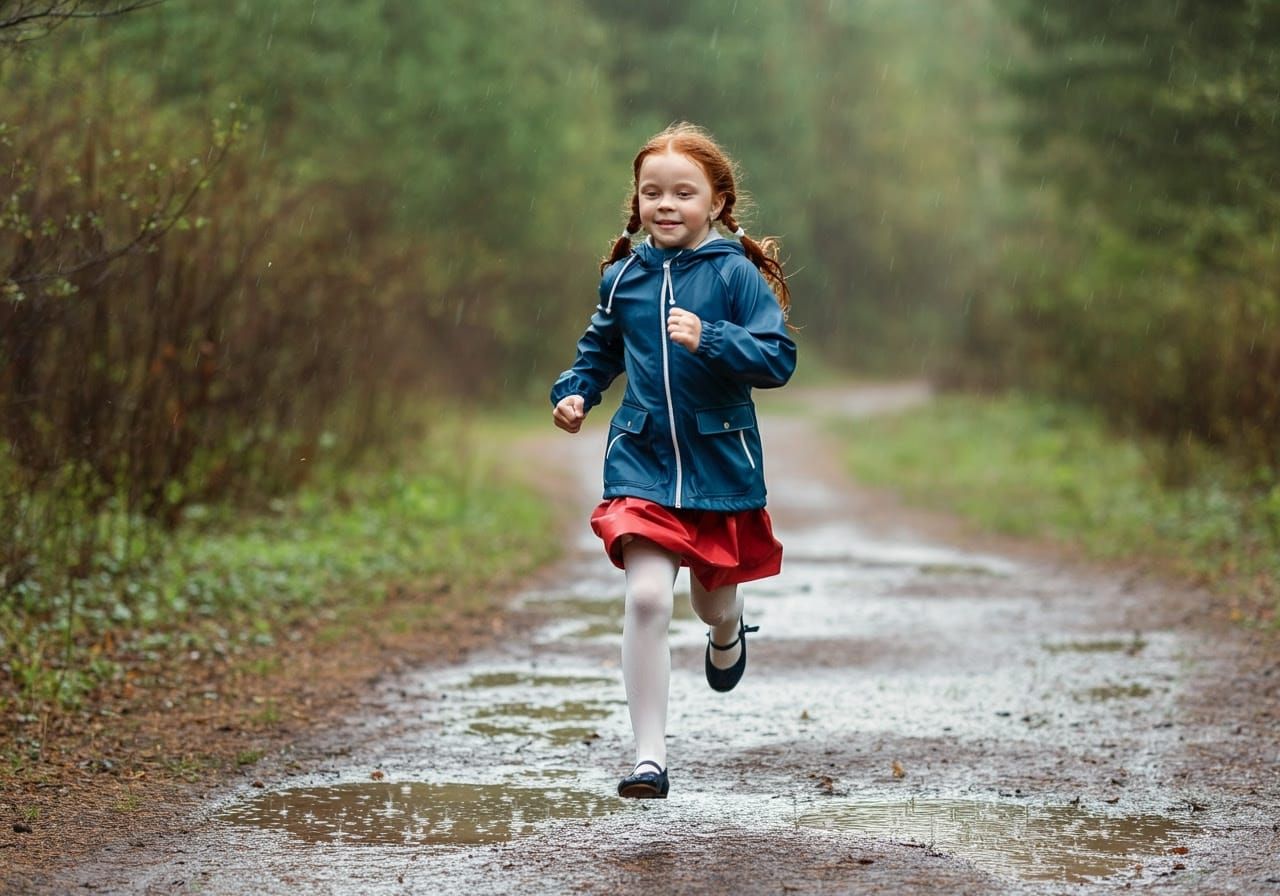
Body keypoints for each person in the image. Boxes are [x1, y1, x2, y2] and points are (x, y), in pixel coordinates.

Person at [550, 122, 796, 800]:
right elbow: (597, 354)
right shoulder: (623, 277)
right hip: (642, 462)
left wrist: (711, 337)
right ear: (636, 202)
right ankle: (648, 759)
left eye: (683, 193)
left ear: (716, 202)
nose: (666, 204)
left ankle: (727, 631)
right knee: (649, 596)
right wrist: (574, 394)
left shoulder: (735, 275)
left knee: (710, 603)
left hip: (719, 468)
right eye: (652, 192)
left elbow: (778, 360)